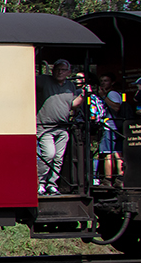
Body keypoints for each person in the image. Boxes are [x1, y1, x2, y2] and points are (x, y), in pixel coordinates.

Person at [35, 59, 83, 195]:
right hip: (46, 126)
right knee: (48, 155)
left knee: (58, 158)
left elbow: (72, 104)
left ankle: (52, 184)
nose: (59, 72)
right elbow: (28, 83)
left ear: (68, 72)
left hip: (63, 127)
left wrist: (83, 96)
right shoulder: (45, 81)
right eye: (57, 69)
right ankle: (40, 183)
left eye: (63, 70)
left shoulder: (70, 86)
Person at [94, 73, 124, 187]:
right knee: (115, 153)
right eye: (101, 81)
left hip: (111, 127)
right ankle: (118, 178)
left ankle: (108, 180)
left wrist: (104, 97)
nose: (103, 83)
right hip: (111, 127)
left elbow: (116, 106)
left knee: (108, 154)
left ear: (112, 82)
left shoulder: (112, 94)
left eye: (105, 80)